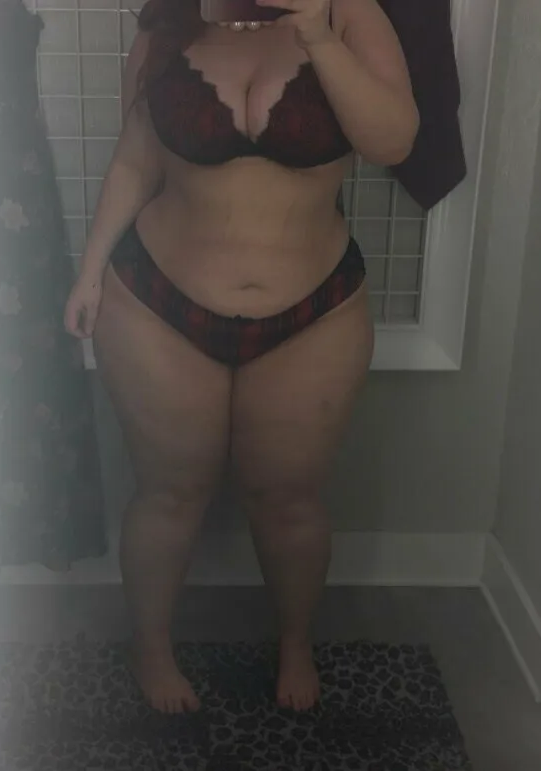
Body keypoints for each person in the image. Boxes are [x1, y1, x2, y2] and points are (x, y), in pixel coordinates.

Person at [63, 0, 418, 714]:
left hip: (313, 311)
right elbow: (135, 157)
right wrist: (91, 268)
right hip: (157, 303)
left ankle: (295, 643)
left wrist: (315, 33)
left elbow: (393, 142)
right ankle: (151, 648)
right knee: (169, 492)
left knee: (288, 498)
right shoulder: (168, 22)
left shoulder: (348, 16)